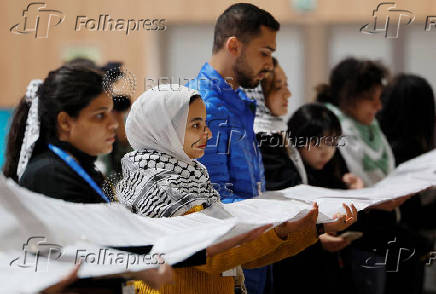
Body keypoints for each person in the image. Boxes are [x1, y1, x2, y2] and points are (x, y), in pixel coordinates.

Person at [116, 84, 324, 294]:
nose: (208, 133)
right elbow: (213, 258)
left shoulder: (192, 178)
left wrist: (312, 229)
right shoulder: (161, 188)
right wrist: (278, 232)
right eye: (195, 126)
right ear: (165, 130)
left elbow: (241, 258)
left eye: (205, 124)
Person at [246, 57, 359, 294]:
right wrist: (319, 231)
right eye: (279, 87)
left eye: (287, 85)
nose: (288, 93)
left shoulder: (275, 133)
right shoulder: (261, 138)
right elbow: (288, 200)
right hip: (271, 254)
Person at [316, 57, 411, 294]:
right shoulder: (330, 128)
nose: (378, 106)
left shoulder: (371, 128)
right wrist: (373, 198)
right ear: (348, 97)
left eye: (380, 98)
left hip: (378, 237)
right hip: (356, 240)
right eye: (371, 99)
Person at [379, 73, 436, 294]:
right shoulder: (409, 151)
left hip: (380, 251)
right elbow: (412, 214)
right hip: (405, 249)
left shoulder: (381, 146)